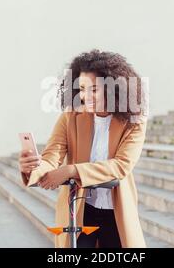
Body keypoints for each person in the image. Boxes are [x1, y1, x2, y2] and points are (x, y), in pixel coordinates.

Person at [19, 49, 148, 248]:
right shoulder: (70, 117)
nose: (85, 96)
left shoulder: (134, 121)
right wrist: (33, 168)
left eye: (94, 90)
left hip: (117, 211)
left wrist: (72, 170)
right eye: (81, 88)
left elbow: (121, 166)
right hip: (80, 209)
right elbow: (51, 157)